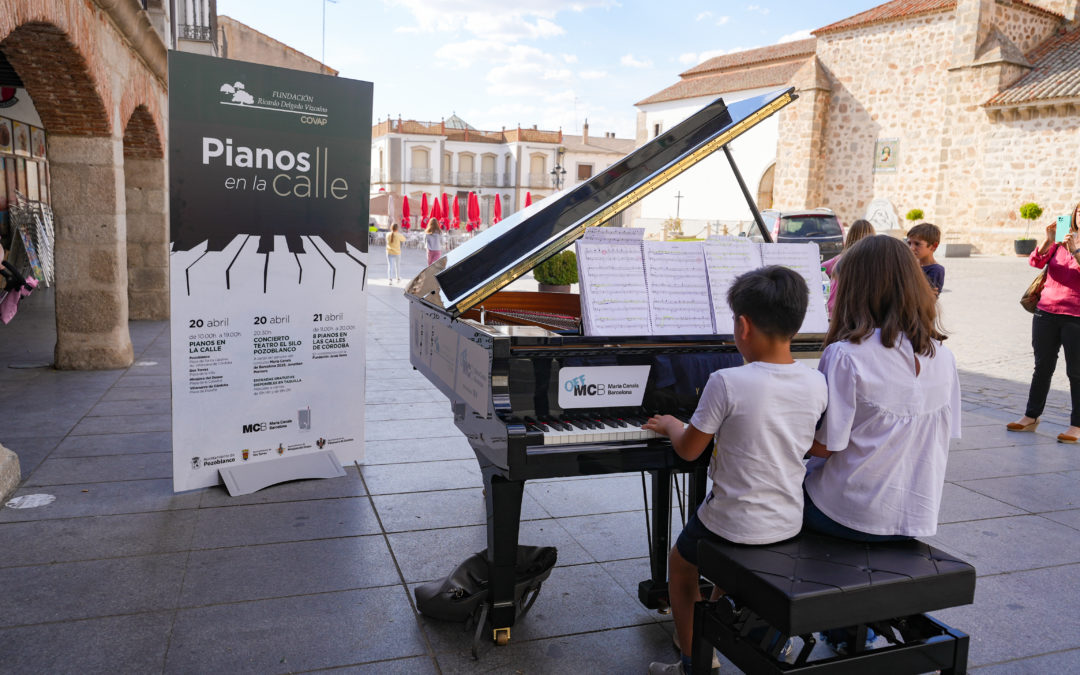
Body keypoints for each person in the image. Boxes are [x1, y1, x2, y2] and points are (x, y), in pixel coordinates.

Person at [644, 266, 828, 675]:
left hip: (731, 522)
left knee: (681, 564)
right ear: (796, 325)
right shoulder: (816, 383)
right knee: (728, 565)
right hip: (786, 521)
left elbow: (691, 450)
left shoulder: (726, 381)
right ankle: (710, 627)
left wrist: (672, 424)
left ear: (743, 326)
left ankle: (693, 660)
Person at [805, 234, 960, 542]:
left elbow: (825, 446)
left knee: (748, 507)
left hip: (845, 514)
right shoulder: (944, 357)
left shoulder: (847, 355)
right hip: (913, 518)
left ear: (854, 290)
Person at [1009, 202, 1080, 442]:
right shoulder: (1063, 230)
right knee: (1042, 367)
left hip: (1076, 316)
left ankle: (1077, 425)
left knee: (1076, 372)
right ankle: (1031, 416)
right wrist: (1049, 240)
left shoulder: (1072, 242)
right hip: (1046, 310)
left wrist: (1075, 250)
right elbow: (1037, 262)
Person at [823, 219, 875, 315]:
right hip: (849, 313)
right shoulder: (872, 263)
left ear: (850, 236)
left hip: (830, 310)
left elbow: (820, 268)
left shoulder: (838, 259)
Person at [906, 223, 945, 295]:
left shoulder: (936, 270)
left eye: (917, 244)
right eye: (909, 243)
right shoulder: (911, 264)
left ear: (934, 246)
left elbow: (926, 298)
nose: (911, 248)